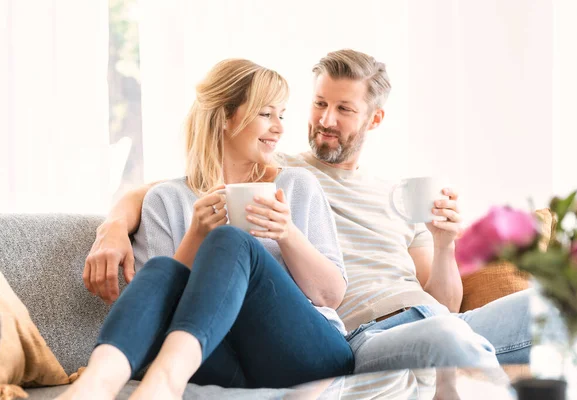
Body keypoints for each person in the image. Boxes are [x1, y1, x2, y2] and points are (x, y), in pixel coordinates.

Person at [84, 49, 529, 373]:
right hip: (367, 333)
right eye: (319, 104)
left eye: (344, 109)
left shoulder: (395, 197)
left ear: (374, 120)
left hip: (435, 318)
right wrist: (112, 228)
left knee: (555, 310)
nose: (325, 120)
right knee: (449, 338)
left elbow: (445, 305)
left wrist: (444, 242)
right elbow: (176, 188)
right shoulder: (278, 171)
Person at [60, 59, 354, 400]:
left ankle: (165, 383)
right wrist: (196, 235)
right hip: (222, 362)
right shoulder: (165, 200)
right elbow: (160, 309)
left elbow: (331, 295)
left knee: (231, 240)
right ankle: (96, 383)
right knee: (160, 269)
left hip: (307, 354)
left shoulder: (297, 185)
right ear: (226, 117)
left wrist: (287, 233)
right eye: (266, 113)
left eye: (282, 115)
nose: (278, 127)